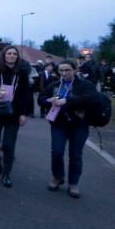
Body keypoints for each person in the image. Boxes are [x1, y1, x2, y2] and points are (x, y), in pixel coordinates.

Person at [38, 60, 96, 198]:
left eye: (67, 70)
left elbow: (92, 99)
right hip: (58, 124)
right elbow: (41, 99)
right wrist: (48, 100)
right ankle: (58, 177)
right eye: (61, 71)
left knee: (75, 155)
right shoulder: (54, 85)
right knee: (57, 152)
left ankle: (73, 183)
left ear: (75, 70)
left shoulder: (85, 85)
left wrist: (68, 100)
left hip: (79, 125)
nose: (64, 73)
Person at [0, 45, 32, 187]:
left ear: (17, 57)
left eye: (14, 54)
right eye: (9, 53)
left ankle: (6, 173)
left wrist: (24, 114)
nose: (11, 56)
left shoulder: (22, 72)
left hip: (14, 113)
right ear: (4, 55)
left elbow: (26, 94)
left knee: (8, 144)